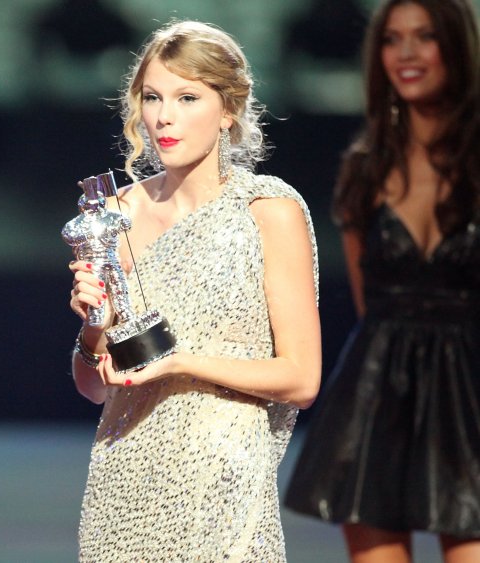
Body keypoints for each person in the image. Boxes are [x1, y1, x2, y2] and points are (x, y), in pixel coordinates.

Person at [67, 20, 321, 561]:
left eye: (187, 97)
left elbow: (301, 379)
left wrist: (181, 364)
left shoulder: (267, 212)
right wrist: (92, 329)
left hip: (224, 483)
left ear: (228, 109)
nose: (164, 116)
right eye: (153, 97)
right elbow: (95, 388)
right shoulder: (115, 216)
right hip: (124, 480)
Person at [284, 1, 480, 562]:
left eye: (425, 37)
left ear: (457, 47)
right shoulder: (365, 167)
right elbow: (371, 303)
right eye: (394, 40)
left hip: (471, 398)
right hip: (377, 401)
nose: (408, 54)